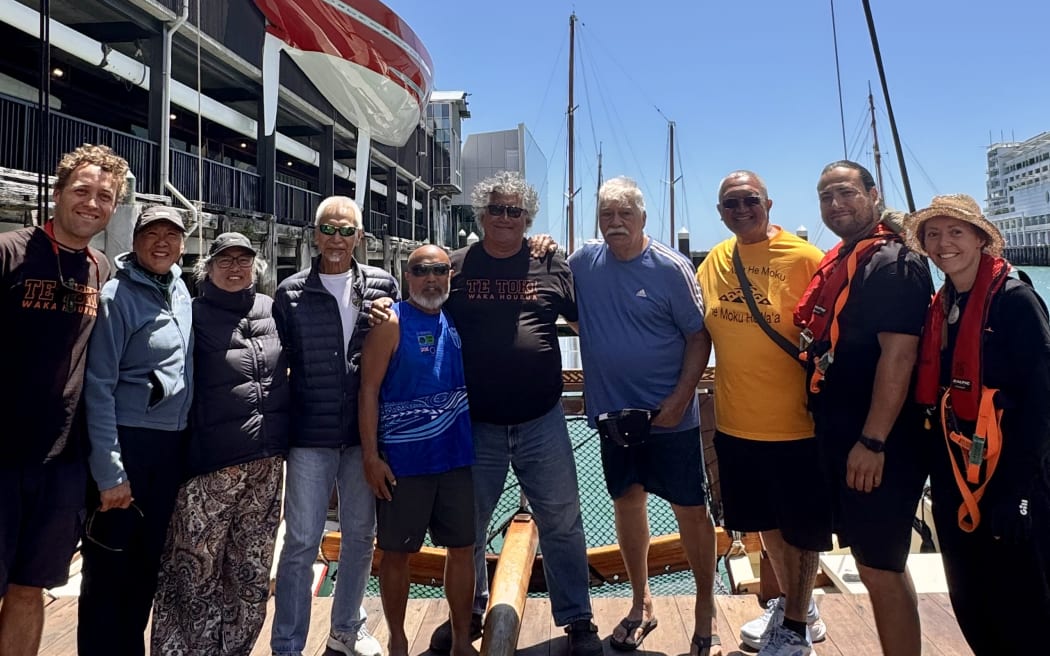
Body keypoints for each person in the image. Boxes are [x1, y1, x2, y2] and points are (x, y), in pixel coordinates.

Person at [370, 172, 599, 656]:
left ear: (528, 219)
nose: (504, 217)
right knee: (467, 529)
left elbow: (589, 326)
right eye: (496, 208)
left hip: (542, 419)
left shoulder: (551, 262)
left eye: (514, 211)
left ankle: (578, 618)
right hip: (476, 425)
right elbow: (418, 300)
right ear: (481, 214)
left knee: (562, 520)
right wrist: (380, 310)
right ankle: (466, 613)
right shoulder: (455, 268)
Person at [570, 176, 720, 656]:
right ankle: (642, 602)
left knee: (691, 512)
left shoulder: (671, 268)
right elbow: (560, 294)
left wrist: (681, 398)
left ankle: (705, 608)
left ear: (643, 219)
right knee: (627, 502)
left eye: (624, 215)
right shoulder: (582, 263)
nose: (615, 223)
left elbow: (699, 338)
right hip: (615, 415)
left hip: (671, 414)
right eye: (606, 215)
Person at [794, 161, 932, 656]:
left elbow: (900, 355)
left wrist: (872, 442)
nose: (836, 204)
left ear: (874, 195)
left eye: (847, 193)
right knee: (872, 561)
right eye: (826, 195)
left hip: (879, 442)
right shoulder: (848, 258)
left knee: (880, 565)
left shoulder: (894, 262)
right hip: (843, 432)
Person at [907, 194, 1050, 654]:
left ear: (980, 240)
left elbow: (1043, 396)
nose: (943, 243)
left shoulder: (1016, 300)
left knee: (1024, 603)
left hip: (1010, 478)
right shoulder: (942, 304)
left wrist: (1022, 490)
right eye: (933, 234)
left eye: (955, 232)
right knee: (970, 596)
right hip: (955, 473)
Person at [694, 171, 829, 656]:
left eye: (750, 199)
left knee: (802, 526)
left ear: (769, 203)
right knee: (765, 522)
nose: (741, 209)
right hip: (734, 420)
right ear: (720, 212)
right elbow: (696, 329)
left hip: (797, 422)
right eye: (731, 202)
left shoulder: (806, 257)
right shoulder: (715, 260)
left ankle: (794, 628)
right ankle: (801, 606)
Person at [0, 144, 127, 656]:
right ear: (57, 194)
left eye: (105, 196)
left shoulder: (101, 270)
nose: (92, 203)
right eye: (82, 191)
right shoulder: (9, 251)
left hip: (60, 462)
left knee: (31, 587)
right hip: (1, 456)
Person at [150, 232, 290, 654]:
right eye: (224, 261)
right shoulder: (190, 313)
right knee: (195, 572)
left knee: (250, 572)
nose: (235, 269)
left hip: (266, 465)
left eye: (243, 261)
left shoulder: (271, 309)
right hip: (211, 465)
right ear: (207, 268)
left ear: (255, 267)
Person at [271, 196, 398, 656]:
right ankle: (287, 644)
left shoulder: (384, 286)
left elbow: (396, 349)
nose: (337, 239)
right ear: (315, 233)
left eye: (347, 231)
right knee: (302, 541)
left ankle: (347, 628)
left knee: (361, 536)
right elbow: (276, 362)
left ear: (360, 237)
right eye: (329, 229)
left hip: (364, 435)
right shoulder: (289, 293)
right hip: (309, 435)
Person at [79, 204, 194, 655]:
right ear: (135, 240)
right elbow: (98, 386)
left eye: (172, 235)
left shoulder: (181, 289)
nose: (161, 243)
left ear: (183, 244)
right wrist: (110, 473)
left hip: (170, 446)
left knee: (145, 567)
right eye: (152, 234)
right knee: (109, 570)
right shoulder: (115, 297)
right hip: (129, 442)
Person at [359, 245, 476, 656]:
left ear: (450, 275)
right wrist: (371, 457)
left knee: (462, 549)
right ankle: (399, 641)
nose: (431, 278)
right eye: (420, 270)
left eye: (439, 270)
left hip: (456, 457)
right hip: (403, 464)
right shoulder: (391, 321)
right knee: (396, 554)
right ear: (406, 276)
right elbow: (368, 390)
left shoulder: (455, 316)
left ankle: (462, 640)